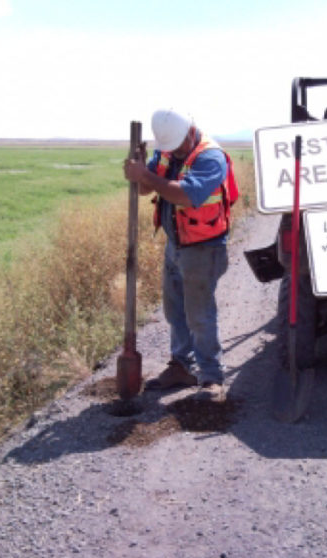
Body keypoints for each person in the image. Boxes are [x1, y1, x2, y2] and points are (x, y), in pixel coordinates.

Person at [123, 109, 236, 396]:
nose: (172, 153)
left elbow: (186, 195)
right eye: (168, 149)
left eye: (177, 147)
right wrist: (138, 174)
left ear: (190, 131)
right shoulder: (165, 153)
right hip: (176, 245)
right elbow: (145, 190)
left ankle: (211, 377)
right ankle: (181, 368)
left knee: (199, 314)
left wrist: (145, 175)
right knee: (175, 311)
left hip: (204, 248)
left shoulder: (211, 157)